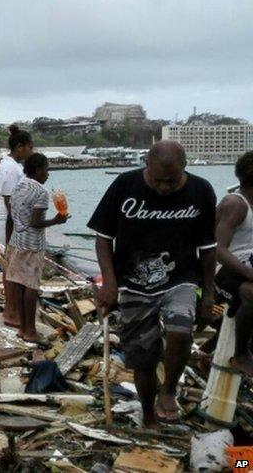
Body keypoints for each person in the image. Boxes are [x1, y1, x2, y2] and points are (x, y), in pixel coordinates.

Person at [89, 140, 217, 427]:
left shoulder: (201, 190)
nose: (164, 188)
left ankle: (169, 389)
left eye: (172, 182)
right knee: (143, 357)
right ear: (146, 164)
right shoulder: (125, 185)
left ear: (185, 167)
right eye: (158, 180)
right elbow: (103, 238)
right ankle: (148, 415)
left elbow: (209, 248)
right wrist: (109, 284)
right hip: (132, 282)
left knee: (181, 328)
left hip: (181, 276)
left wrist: (208, 294)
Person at [4, 154, 68, 344]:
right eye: (47, 170)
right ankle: (30, 331)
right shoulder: (40, 192)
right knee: (31, 287)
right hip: (32, 245)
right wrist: (57, 220)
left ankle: (23, 329)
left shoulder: (19, 186)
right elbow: (36, 222)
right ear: (38, 170)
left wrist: (8, 242)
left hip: (16, 241)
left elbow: (12, 216)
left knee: (20, 286)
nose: (48, 174)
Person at [215, 151, 253, 376]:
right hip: (225, 270)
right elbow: (218, 249)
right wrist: (249, 273)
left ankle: (206, 352)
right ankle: (240, 355)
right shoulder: (236, 204)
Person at [0, 124, 35, 327]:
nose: (32, 151)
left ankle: (13, 308)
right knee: (11, 268)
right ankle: (11, 312)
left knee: (12, 268)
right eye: (30, 147)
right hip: (8, 223)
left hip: (13, 222)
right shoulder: (9, 168)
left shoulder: (15, 166)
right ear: (20, 147)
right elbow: (10, 202)